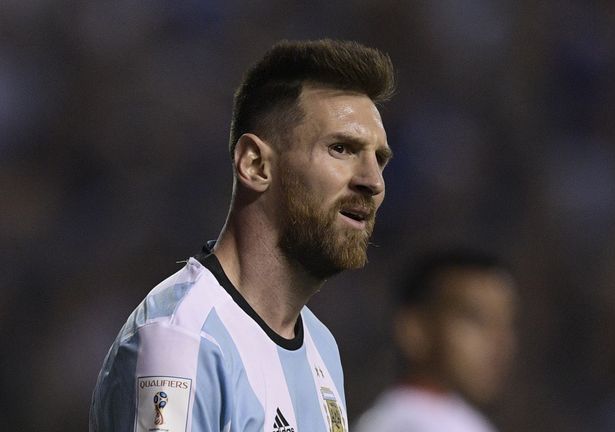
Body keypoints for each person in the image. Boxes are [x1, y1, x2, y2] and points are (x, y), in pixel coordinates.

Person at [90, 39, 395, 432]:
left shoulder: (321, 348)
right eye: (341, 148)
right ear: (254, 165)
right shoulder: (182, 342)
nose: (373, 181)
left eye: (380, 159)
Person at [355, 250, 517, 432]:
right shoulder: (397, 425)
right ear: (415, 328)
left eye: (505, 323)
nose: (500, 341)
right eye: (476, 319)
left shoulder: (468, 421)